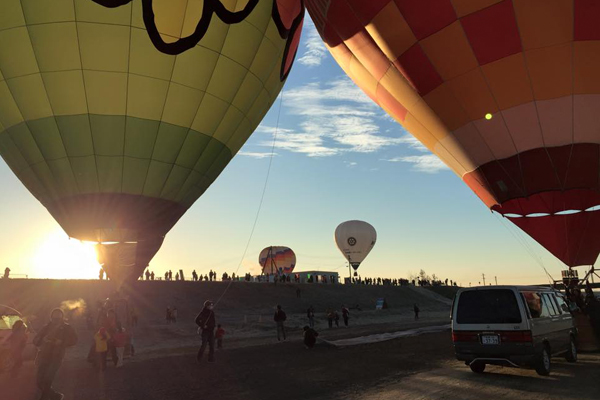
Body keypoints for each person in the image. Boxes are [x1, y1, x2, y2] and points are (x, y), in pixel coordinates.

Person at [33, 308, 78, 400]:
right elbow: (36, 340)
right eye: (54, 318)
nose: (55, 320)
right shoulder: (46, 327)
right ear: (51, 318)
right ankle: (55, 396)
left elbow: (74, 340)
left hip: (56, 357)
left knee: (47, 379)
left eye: (58, 318)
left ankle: (44, 398)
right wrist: (43, 339)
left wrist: (61, 342)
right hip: (44, 356)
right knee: (39, 381)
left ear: (62, 318)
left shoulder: (67, 328)